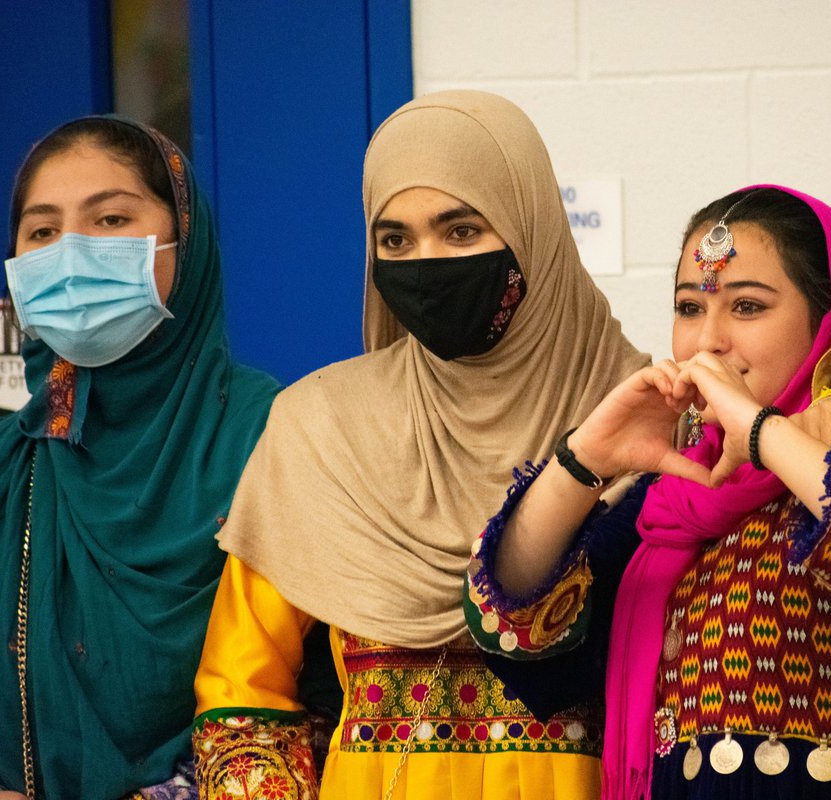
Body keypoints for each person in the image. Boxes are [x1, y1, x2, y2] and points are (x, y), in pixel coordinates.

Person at [467, 184, 831, 799]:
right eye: (689, 308)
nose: (706, 342)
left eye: (746, 307)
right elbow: (517, 626)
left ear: (825, 318)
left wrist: (761, 431)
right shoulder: (669, 504)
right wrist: (585, 458)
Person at [191, 91, 648, 799]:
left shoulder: (645, 425)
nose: (426, 264)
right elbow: (239, 699)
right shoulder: (321, 428)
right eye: (396, 241)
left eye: (461, 231)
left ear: (534, 229)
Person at [0, 117, 280, 798]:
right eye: (42, 231)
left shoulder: (272, 439)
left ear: (187, 240)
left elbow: (327, 707)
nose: (70, 252)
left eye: (111, 218)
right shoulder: (9, 467)